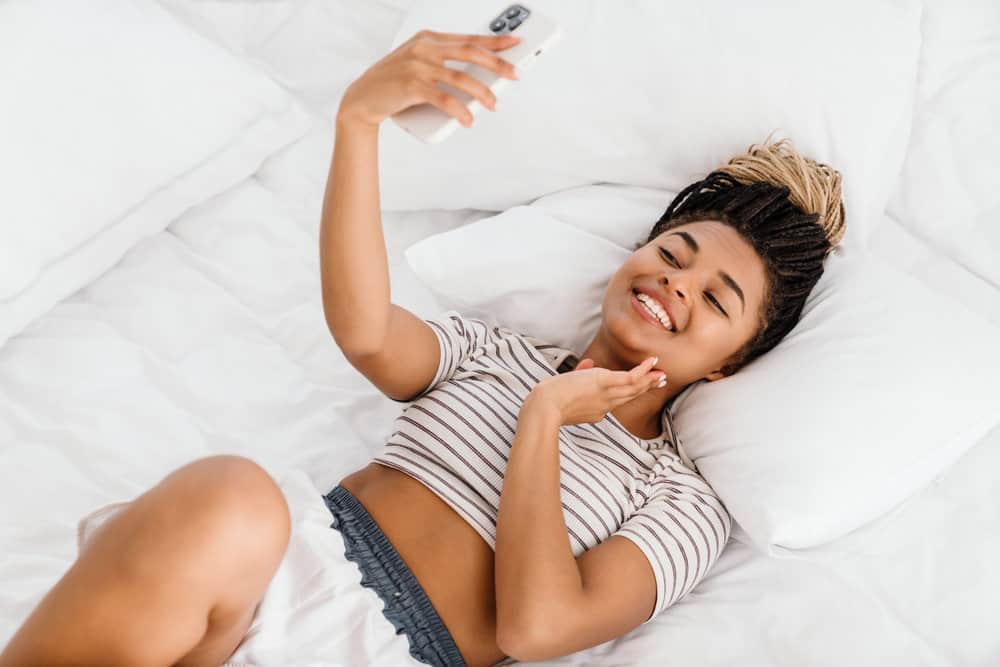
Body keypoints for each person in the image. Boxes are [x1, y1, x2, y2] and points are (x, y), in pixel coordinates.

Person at [0, 28, 845, 667]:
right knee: (230, 491)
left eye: (716, 300)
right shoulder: (497, 353)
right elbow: (367, 332)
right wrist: (358, 123)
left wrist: (545, 420)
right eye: (673, 254)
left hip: (391, 648)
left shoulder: (684, 499)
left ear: (732, 360)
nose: (675, 287)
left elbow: (537, 624)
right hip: (286, 555)